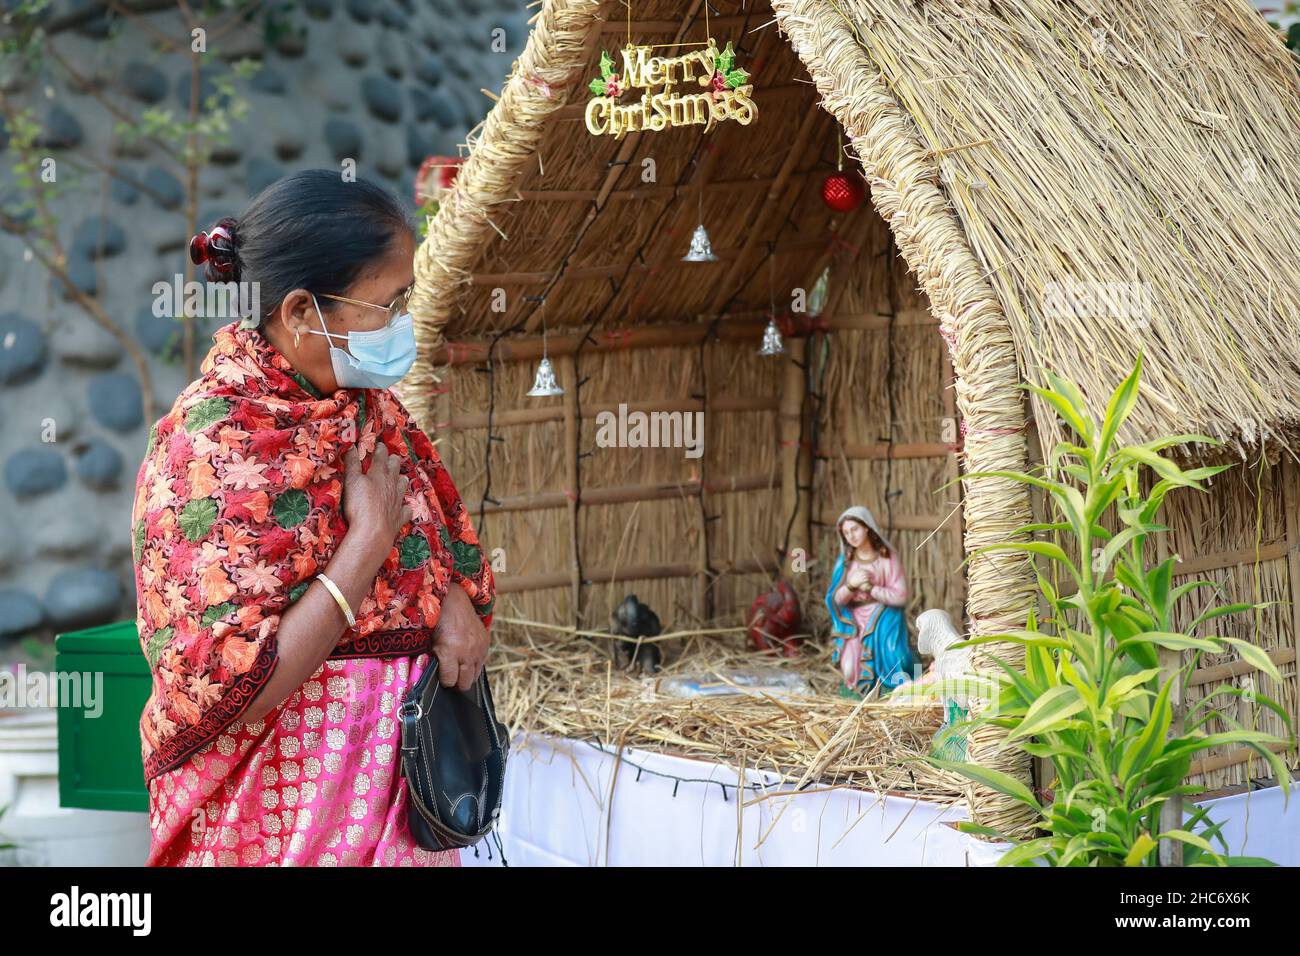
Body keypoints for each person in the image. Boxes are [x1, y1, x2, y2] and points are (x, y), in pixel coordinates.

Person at [130, 170, 494, 866]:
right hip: (273, 821)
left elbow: (423, 532)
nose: (404, 324)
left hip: (396, 810)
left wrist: (447, 596)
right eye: (389, 304)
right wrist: (366, 546)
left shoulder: (365, 408)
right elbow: (237, 684)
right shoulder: (207, 448)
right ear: (300, 312)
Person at [824, 506, 915, 697]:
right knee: (849, 669)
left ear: (867, 527)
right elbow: (835, 600)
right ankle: (861, 694)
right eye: (846, 533)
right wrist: (850, 585)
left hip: (884, 618)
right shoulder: (846, 562)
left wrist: (871, 590)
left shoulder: (886, 558)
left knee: (895, 657)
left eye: (855, 529)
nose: (851, 536)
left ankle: (893, 691)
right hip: (855, 622)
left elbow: (901, 596)